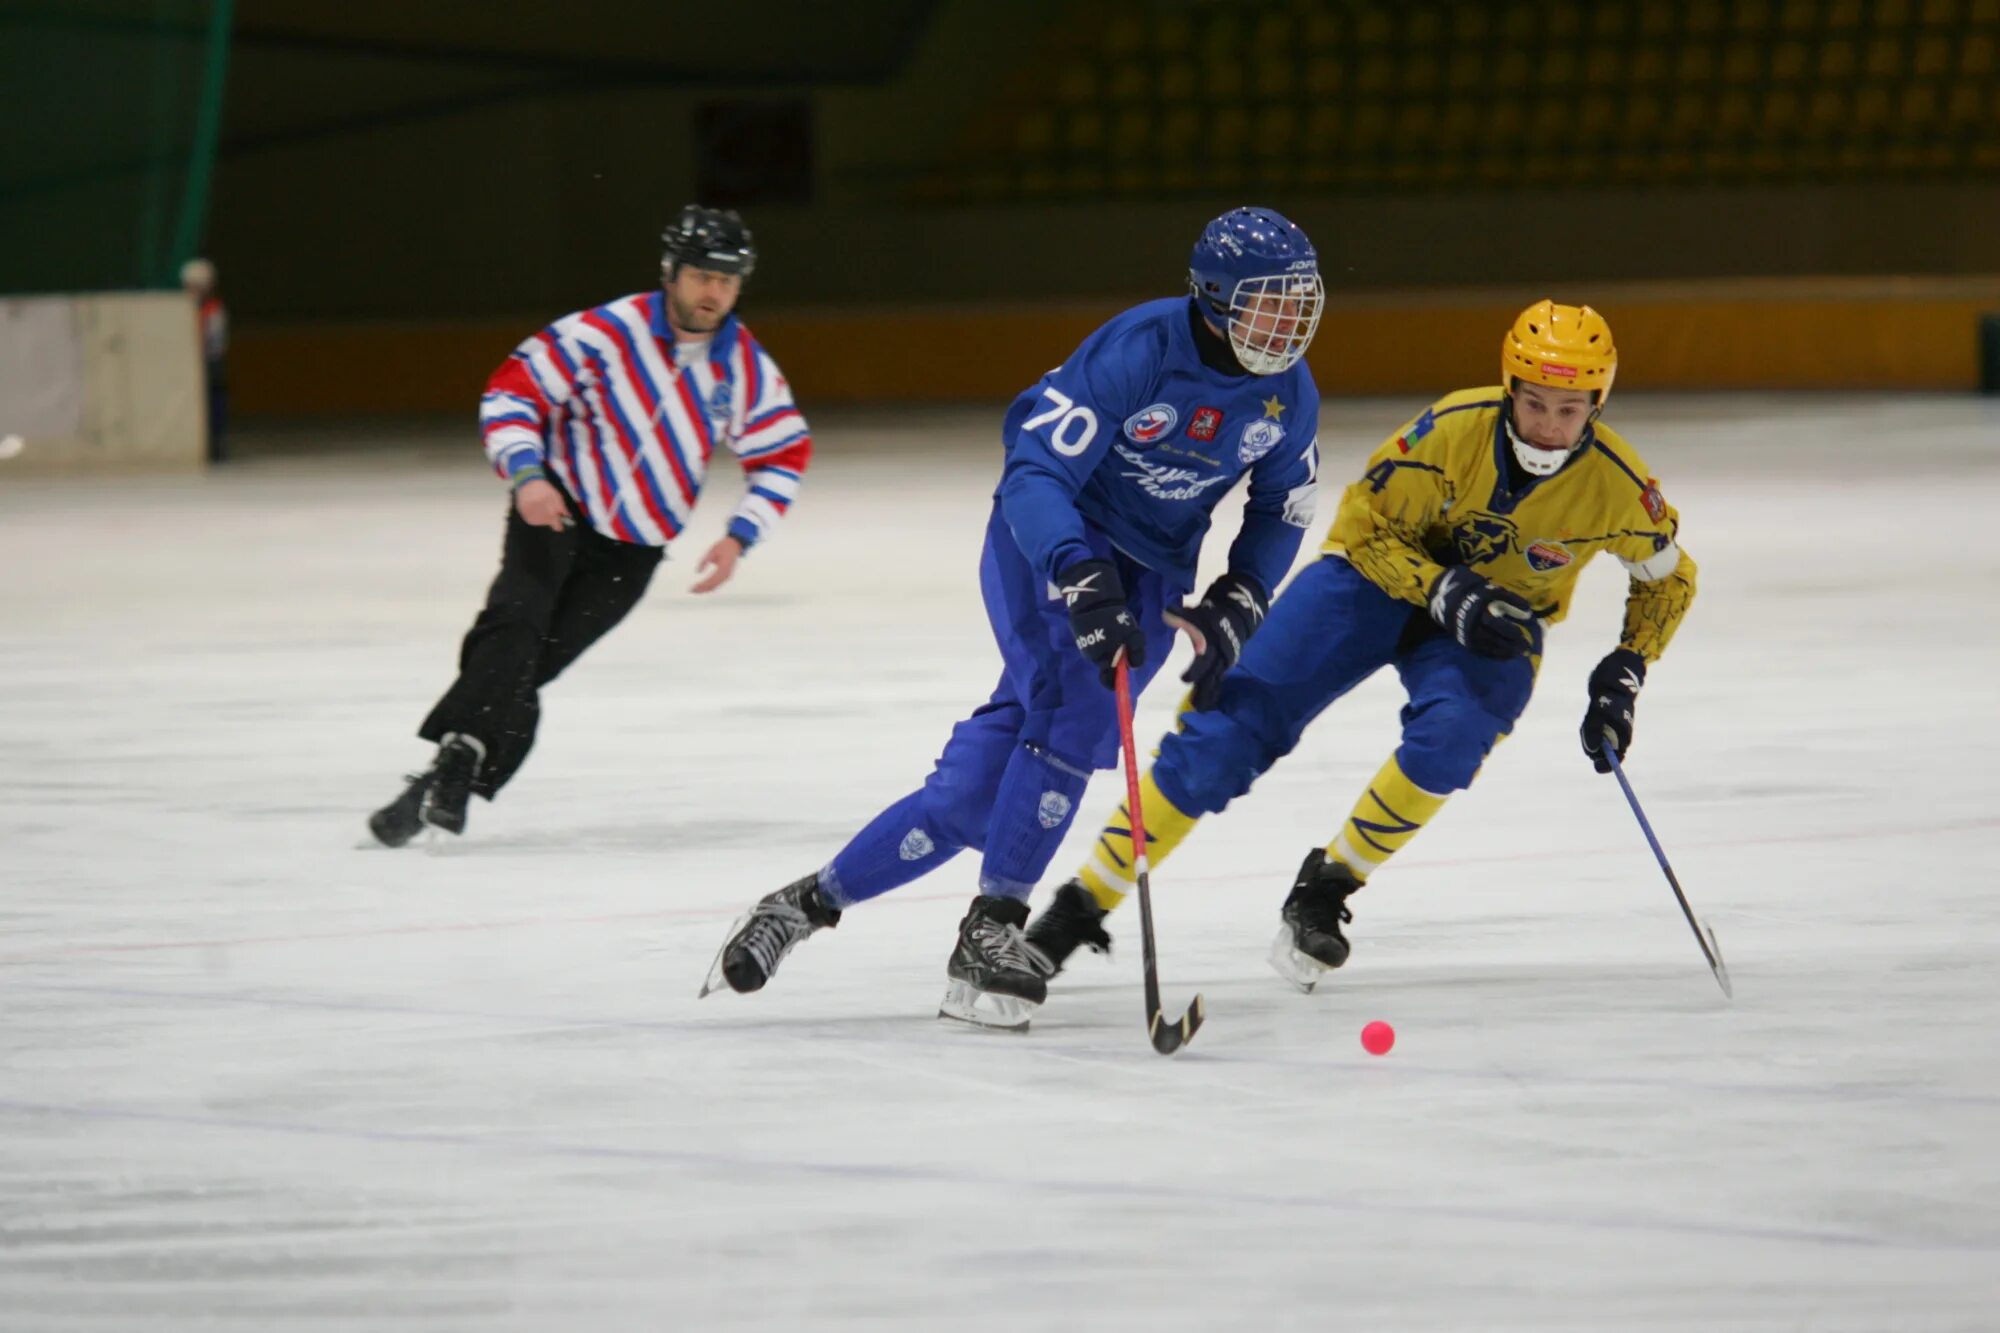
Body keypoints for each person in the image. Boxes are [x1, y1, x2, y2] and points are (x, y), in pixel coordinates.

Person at [703, 206, 1326, 1029]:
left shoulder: (1289, 394)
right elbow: (1035, 469)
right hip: (1052, 539)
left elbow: (1284, 504)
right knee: (1077, 707)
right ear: (1214, 298)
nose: (1288, 325)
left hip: (1150, 569)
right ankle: (991, 928)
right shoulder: (1136, 352)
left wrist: (1244, 593)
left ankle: (806, 903)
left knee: (976, 798)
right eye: (1268, 304)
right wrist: (1076, 572)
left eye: (1298, 304)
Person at [1025, 300, 1700, 993]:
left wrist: (1627, 668)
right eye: (1535, 404)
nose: (1550, 428)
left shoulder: (1621, 487)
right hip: (1369, 581)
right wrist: (1439, 589)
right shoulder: (1449, 430)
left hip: (1499, 617)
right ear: (1509, 389)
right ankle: (1079, 906)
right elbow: (1364, 522)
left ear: (1598, 404)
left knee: (1455, 738)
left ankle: (1328, 884)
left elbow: (1669, 577)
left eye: (1569, 410)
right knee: (1226, 730)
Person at [367, 206, 811, 847]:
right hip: (558, 509)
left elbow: (783, 452)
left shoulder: (744, 367)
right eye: (701, 276)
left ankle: (440, 776)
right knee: (513, 625)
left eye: (728, 279)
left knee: (527, 668)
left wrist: (741, 534)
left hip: (634, 548)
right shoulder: (603, 332)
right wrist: (528, 475)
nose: (714, 292)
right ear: (670, 273)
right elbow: (511, 393)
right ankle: (457, 776)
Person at [180, 258, 228, 462]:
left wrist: (207, 357)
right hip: (189, 363)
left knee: (215, 402)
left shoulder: (213, 309)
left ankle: (216, 443)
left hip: (210, 364)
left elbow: (216, 341)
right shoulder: (180, 308)